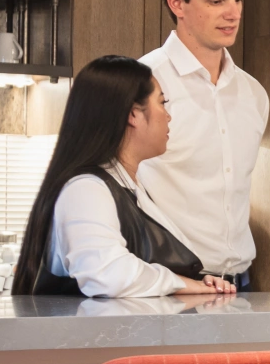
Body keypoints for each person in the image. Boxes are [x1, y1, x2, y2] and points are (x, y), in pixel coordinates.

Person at [12, 55, 237, 298]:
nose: (168, 116)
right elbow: (108, 275)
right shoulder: (86, 189)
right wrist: (182, 284)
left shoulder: (128, 187)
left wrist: (197, 281)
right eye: (162, 103)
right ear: (133, 114)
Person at [136, 0, 268, 287]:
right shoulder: (142, 83)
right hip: (173, 285)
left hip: (241, 284)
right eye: (216, 0)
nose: (233, 13)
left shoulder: (254, 94)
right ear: (176, 3)